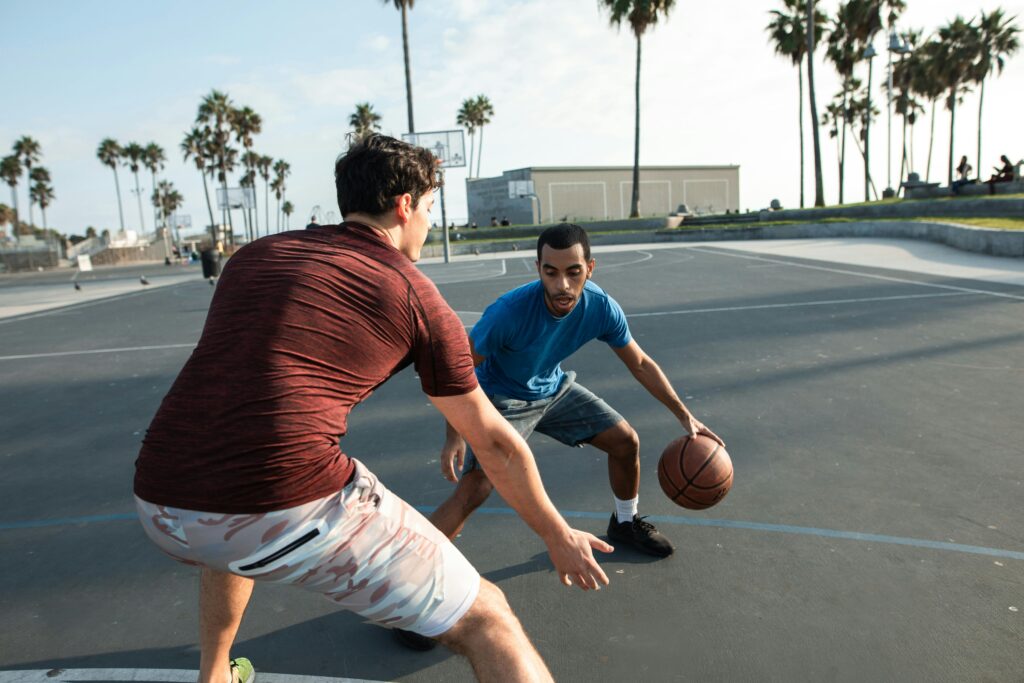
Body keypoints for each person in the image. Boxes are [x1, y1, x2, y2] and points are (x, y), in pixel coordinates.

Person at [133, 136, 611, 683]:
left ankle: (214, 674)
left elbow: (242, 390)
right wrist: (556, 534)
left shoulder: (255, 257)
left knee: (234, 507)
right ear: (405, 205)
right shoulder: (414, 293)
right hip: (280, 503)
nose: (430, 223)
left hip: (161, 500)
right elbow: (496, 443)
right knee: (489, 620)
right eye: (430, 207)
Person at [427, 223, 724, 562]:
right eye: (551, 273)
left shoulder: (600, 307)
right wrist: (456, 433)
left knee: (625, 441)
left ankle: (624, 523)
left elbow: (640, 363)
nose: (562, 285)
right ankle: (410, 568)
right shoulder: (508, 313)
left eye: (573, 272)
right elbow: (457, 369)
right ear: (538, 268)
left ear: (590, 269)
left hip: (552, 389)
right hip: (501, 399)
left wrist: (684, 415)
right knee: (477, 487)